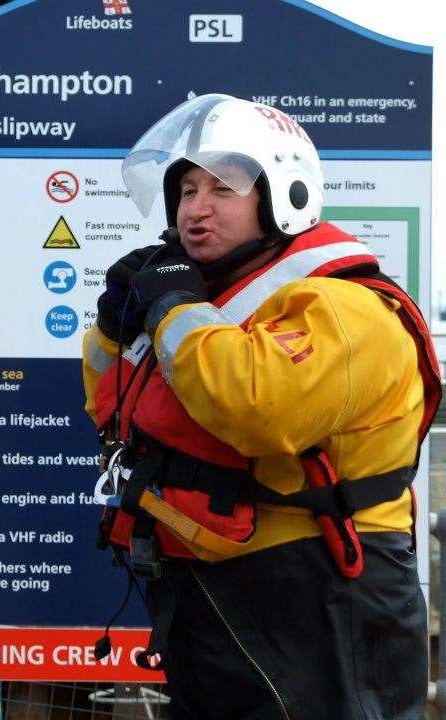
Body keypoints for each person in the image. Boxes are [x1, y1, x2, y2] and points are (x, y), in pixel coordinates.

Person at [83, 93, 441, 719]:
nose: (196, 209)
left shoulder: (345, 307)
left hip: (322, 588)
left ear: (284, 194)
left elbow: (259, 409)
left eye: (223, 189)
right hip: (215, 576)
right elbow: (114, 409)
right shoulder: (213, 304)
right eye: (187, 191)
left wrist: (172, 306)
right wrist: (114, 327)